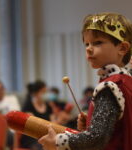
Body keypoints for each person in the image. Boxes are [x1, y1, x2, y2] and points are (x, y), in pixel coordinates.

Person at [38, 13, 132, 150]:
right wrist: (93, 120)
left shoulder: (110, 86)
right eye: (86, 44)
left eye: (97, 42)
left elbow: (96, 138)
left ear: (122, 48)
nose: (88, 48)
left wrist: (58, 141)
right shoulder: (127, 81)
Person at [20, 80, 52, 150]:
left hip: (46, 135)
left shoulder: (48, 106)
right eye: (43, 92)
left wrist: (60, 120)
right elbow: (32, 125)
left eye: (46, 92)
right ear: (36, 93)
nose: (45, 94)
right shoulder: (28, 105)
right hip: (31, 138)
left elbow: (53, 122)